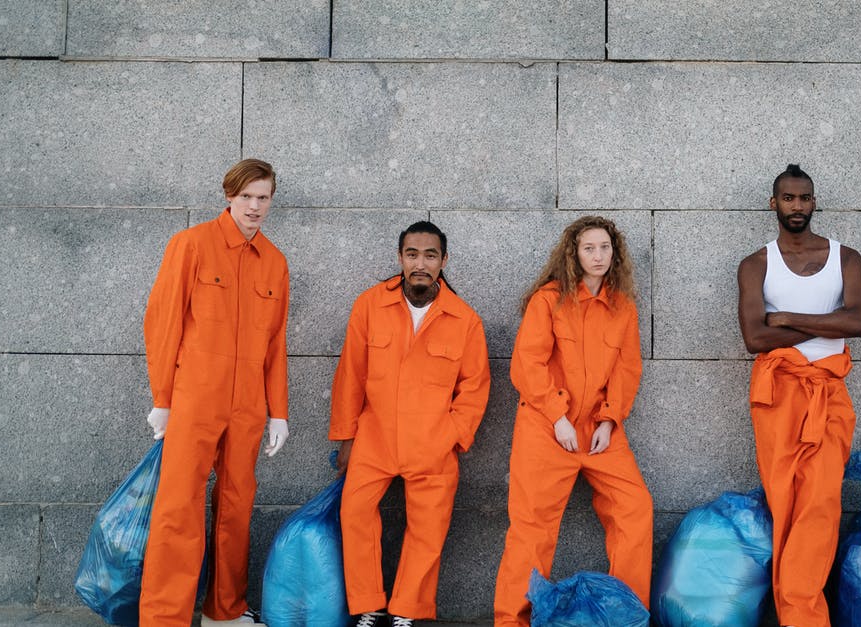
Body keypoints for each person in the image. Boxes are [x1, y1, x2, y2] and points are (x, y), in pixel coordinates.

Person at [139, 158, 290, 626]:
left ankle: (225, 612)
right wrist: (163, 399)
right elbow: (162, 325)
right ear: (229, 196)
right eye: (246, 196)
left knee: (237, 504)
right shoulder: (192, 245)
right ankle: (164, 617)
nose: (254, 206)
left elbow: (276, 342)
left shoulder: (275, 262)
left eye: (263, 197)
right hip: (194, 399)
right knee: (178, 506)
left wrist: (277, 411)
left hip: (247, 405)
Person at [493, 216, 654, 627]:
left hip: (599, 429)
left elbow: (627, 369)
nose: (598, 256)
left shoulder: (623, 306)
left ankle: (626, 615)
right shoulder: (549, 299)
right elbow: (527, 362)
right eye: (589, 248)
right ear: (574, 254)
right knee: (531, 529)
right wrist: (556, 416)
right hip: (547, 428)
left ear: (614, 253)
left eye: (605, 248)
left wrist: (611, 419)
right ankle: (512, 621)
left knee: (634, 509)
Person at [330, 221, 491, 627]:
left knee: (428, 529)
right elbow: (351, 374)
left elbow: (475, 389)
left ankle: (405, 610)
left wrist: (453, 438)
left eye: (430, 255)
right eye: (413, 254)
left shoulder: (465, 320)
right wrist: (346, 438)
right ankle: (368, 604)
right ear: (400, 258)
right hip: (374, 437)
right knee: (354, 513)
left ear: (444, 261)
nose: (421, 263)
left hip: (433, 444)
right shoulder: (369, 305)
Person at [736, 164, 861, 627]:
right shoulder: (756, 264)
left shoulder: (845, 257)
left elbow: (857, 324)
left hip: (828, 394)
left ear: (815, 202)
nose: (797, 206)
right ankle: (796, 612)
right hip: (778, 395)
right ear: (773, 204)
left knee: (820, 503)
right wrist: (821, 325)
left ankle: (802, 616)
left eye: (805, 198)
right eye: (788, 199)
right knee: (784, 503)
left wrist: (786, 318)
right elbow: (754, 338)